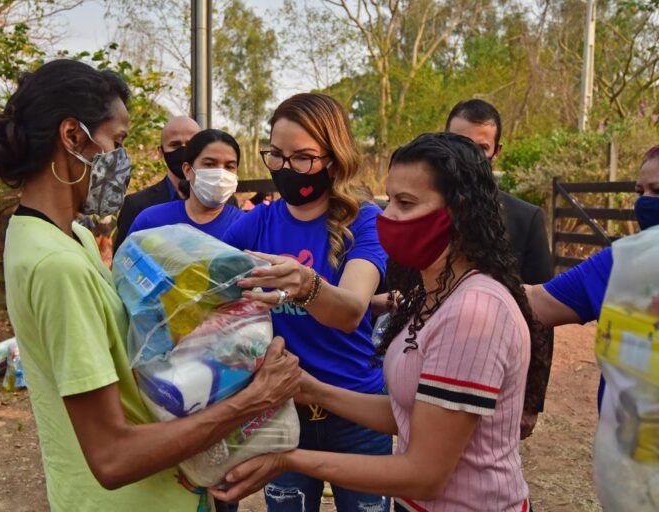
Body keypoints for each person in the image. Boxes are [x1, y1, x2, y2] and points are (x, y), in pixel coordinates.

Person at [0, 59, 300, 511]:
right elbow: (112, 458)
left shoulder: (61, 234)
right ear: (73, 137)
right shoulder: (58, 264)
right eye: (117, 143)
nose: (123, 161)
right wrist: (254, 400)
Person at [213, 133, 540, 511]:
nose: (387, 217)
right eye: (389, 200)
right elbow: (409, 412)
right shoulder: (432, 295)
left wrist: (288, 459)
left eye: (405, 203)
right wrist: (312, 389)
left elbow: (425, 474)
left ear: (457, 211)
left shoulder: (474, 312)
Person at [222, 93, 390, 512]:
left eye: (303, 158)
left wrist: (305, 284)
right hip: (283, 413)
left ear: (334, 158)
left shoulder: (363, 221)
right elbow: (210, 285)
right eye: (276, 155)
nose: (286, 169)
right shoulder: (256, 223)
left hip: (356, 410)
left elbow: (351, 311)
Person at [445, 99, 554, 439]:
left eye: (480, 148)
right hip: (433, 365)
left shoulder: (526, 219)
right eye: (459, 144)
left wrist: (532, 399)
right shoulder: (423, 211)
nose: (468, 157)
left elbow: (541, 315)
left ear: (496, 151)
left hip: (500, 376)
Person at [525, 144, 659, 410]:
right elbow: (536, 303)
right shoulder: (620, 263)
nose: (644, 201)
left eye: (658, 191)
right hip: (629, 442)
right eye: (639, 191)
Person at [129, 129, 243, 239]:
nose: (220, 174)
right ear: (188, 170)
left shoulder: (249, 227)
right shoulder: (151, 221)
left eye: (229, 166)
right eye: (209, 164)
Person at [113, 115, 201, 252]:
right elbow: (121, 263)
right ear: (161, 152)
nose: (184, 150)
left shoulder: (224, 203)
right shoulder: (136, 205)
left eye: (190, 144)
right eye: (175, 145)